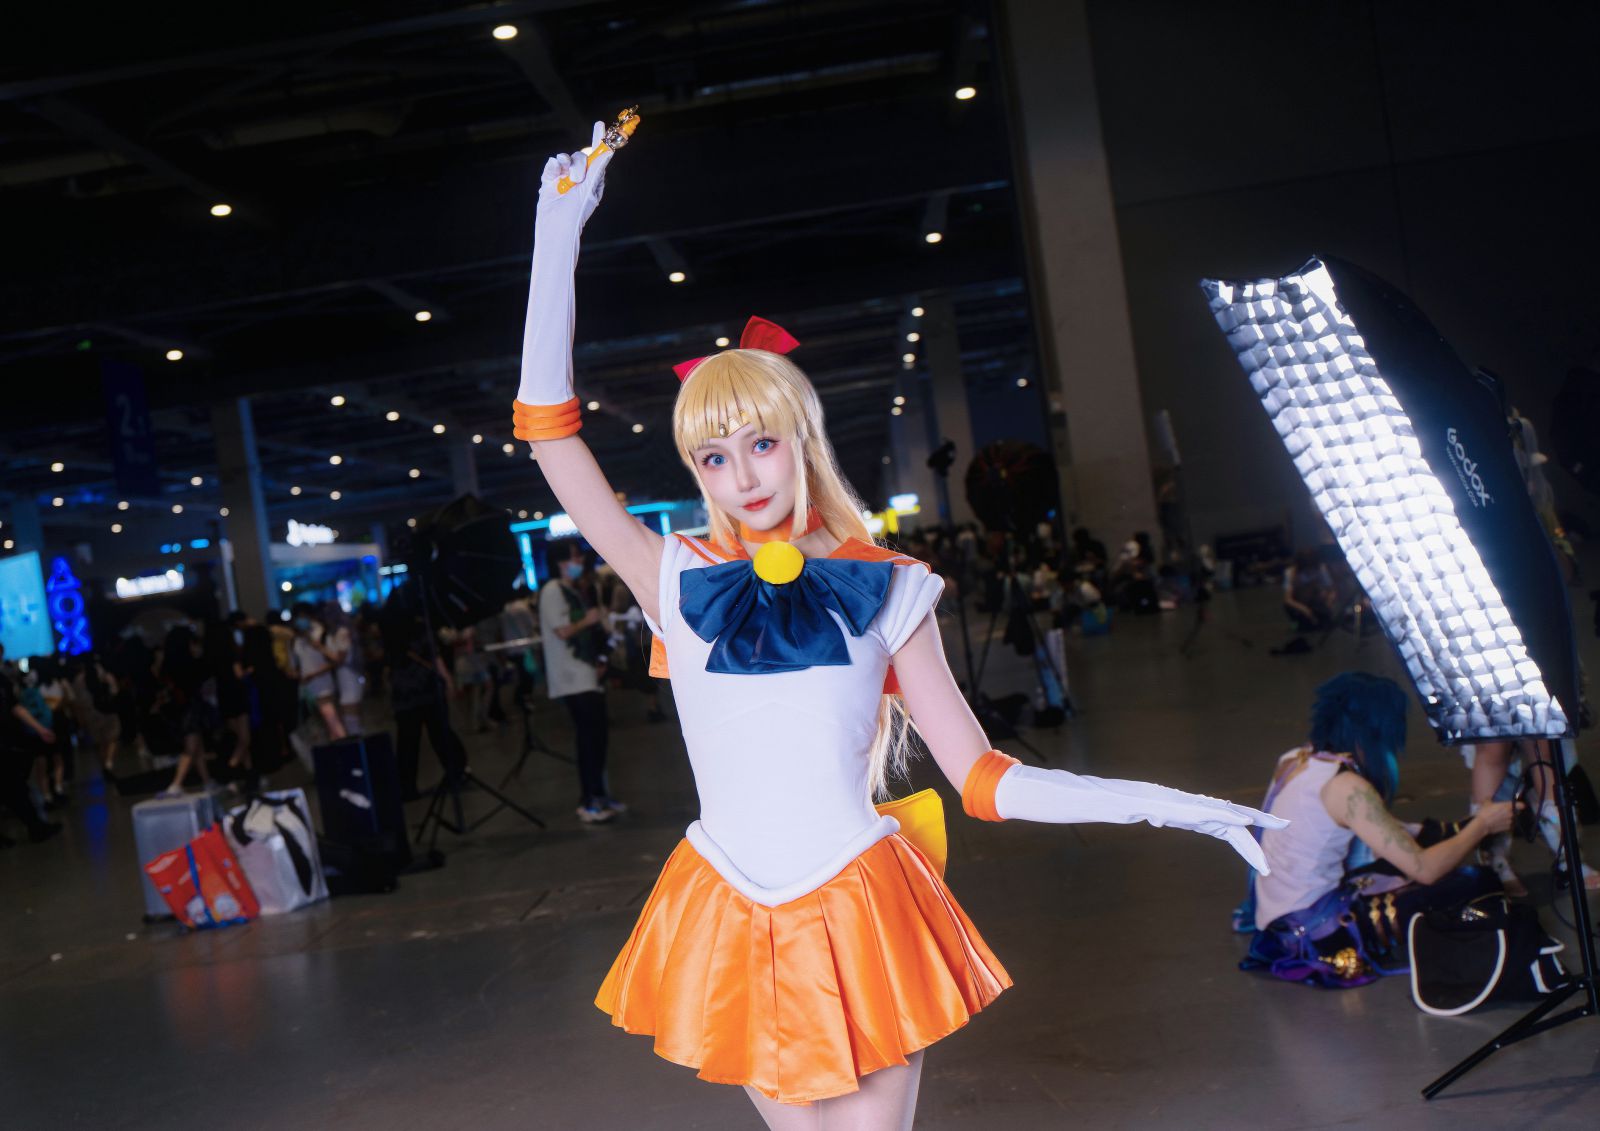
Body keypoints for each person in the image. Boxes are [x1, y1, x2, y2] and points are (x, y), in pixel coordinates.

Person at [509, 123, 1281, 1126]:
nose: (742, 476)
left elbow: (986, 781)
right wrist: (557, 233)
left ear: (801, 439)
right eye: (714, 459)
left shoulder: (892, 587)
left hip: (859, 903)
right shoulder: (675, 577)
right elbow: (548, 433)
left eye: (760, 444)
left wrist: (1168, 805)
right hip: (728, 905)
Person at [1242, 672, 1510, 986]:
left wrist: (1462, 828)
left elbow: (1390, 831)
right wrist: (1482, 825)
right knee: (1476, 881)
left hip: (1281, 921)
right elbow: (1425, 870)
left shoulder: (1295, 759)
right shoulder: (1347, 787)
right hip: (1322, 934)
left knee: (1402, 862)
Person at [538, 538, 620, 823]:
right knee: (588, 738)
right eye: (573, 557)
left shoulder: (572, 589)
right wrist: (589, 619)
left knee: (598, 737)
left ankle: (599, 794)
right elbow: (562, 630)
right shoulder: (552, 590)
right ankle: (589, 800)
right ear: (560, 561)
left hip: (586, 673)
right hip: (572, 676)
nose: (578, 562)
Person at [0, 644, 63, 845]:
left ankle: (36, 827)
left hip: (5, 745)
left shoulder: (2, 681)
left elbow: (16, 708)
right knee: (15, 788)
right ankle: (36, 827)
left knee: (16, 787)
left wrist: (40, 729)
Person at [157, 624, 218, 796]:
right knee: (191, 748)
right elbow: (203, 676)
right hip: (191, 710)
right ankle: (176, 784)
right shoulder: (190, 663)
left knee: (197, 747)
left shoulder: (169, 664)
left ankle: (207, 781)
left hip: (179, 710)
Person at [288, 603, 347, 744]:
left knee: (332, 722)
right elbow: (294, 666)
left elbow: (334, 660)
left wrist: (314, 674)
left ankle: (346, 748)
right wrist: (297, 675)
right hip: (307, 690)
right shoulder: (295, 640)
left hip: (324, 685)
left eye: (303, 616)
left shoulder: (322, 633)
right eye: (298, 617)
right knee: (328, 728)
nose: (300, 620)